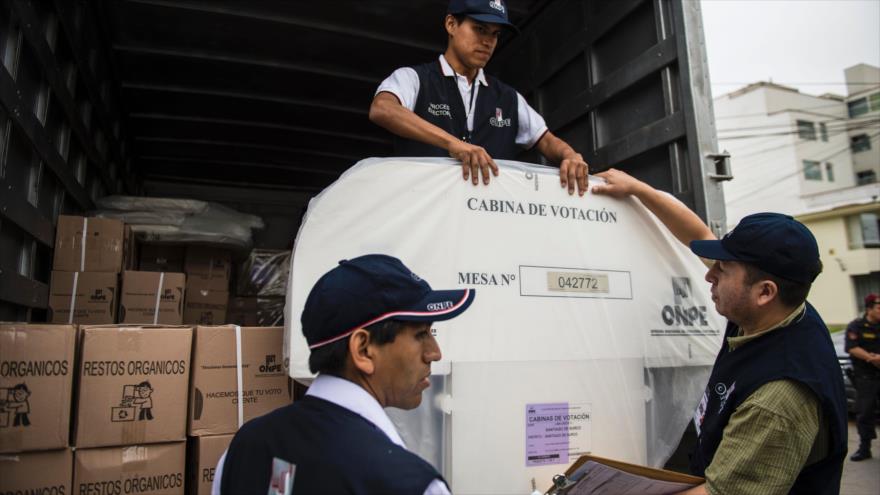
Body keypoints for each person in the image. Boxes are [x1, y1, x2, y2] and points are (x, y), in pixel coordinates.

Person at [592, 169, 847, 495]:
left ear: (764, 292)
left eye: (722, 270)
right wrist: (638, 189)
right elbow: (696, 233)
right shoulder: (779, 310)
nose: (709, 275)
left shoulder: (777, 400)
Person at [215, 254, 475, 494]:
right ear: (363, 349)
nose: (434, 353)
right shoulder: (409, 484)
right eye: (421, 335)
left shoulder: (244, 448)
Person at [369, 0, 590, 196]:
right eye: (480, 29)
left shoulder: (508, 97)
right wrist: (453, 144)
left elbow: (546, 140)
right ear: (451, 25)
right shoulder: (414, 78)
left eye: (494, 34)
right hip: (425, 220)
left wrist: (570, 156)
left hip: (485, 225)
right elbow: (383, 109)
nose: (488, 41)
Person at [845, 293, 880, 461]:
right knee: (864, 413)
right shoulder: (856, 326)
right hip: (866, 377)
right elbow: (851, 347)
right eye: (879, 307)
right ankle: (864, 447)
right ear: (869, 309)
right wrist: (871, 358)